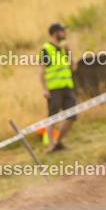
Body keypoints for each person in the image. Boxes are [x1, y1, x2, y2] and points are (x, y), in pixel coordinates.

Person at [40, 22, 77, 151]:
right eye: (62, 31)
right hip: (54, 88)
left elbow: (73, 67)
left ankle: (58, 142)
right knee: (53, 116)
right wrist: (44, 89)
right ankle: (51, 147)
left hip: (67, 86)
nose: (64, 33)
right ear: (55, 33)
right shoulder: (46, 49)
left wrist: (68, 52)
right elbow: (41, 70)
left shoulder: (63, 49)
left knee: (72, 116)